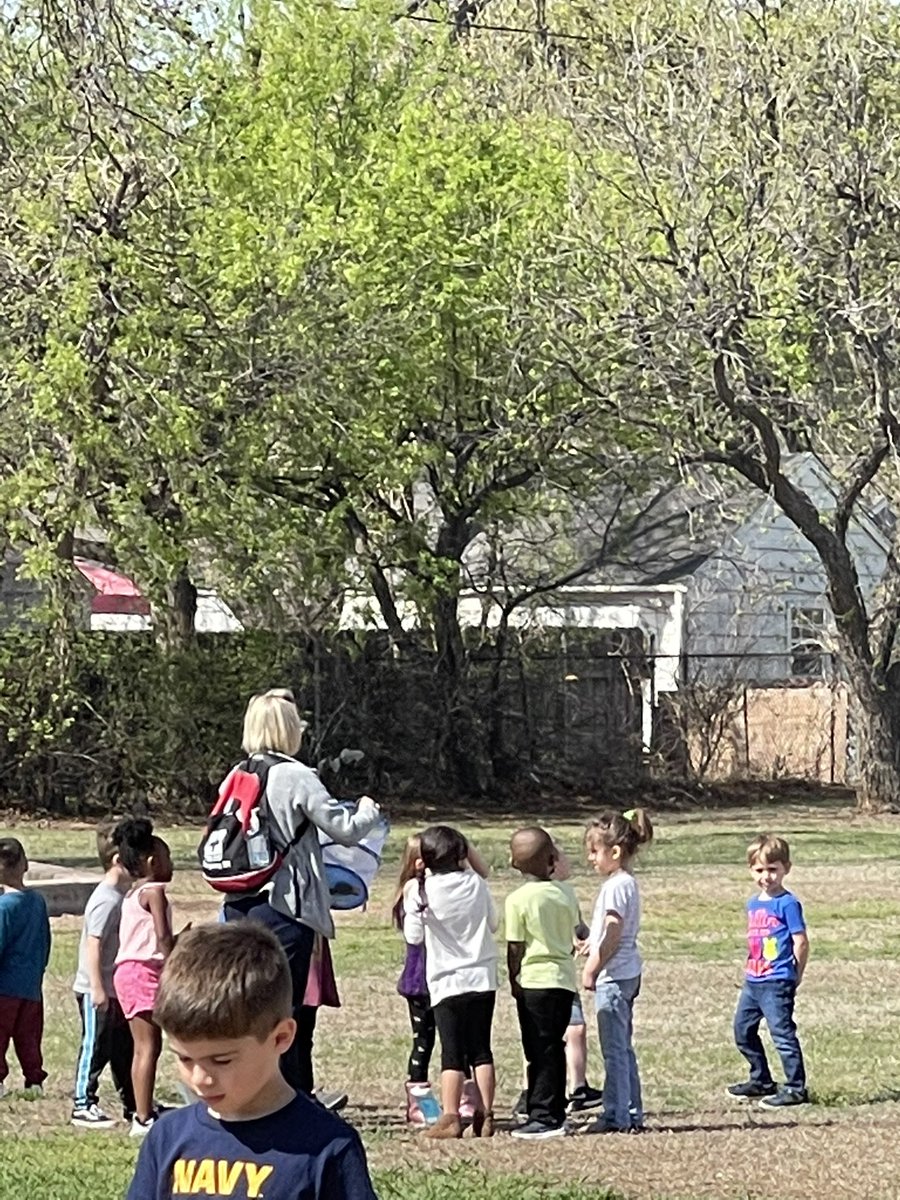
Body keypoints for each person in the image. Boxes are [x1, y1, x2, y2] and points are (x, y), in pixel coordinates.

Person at [126, 923, 377, 1200]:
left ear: (281, 1038)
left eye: (221, 1060)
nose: (199, 1079)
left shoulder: (328, 1145)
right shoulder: (167, 1137)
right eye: (185, 1058)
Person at [222, 688, 381, 1098]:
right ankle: (288, 1095)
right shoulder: (295, 776)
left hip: (240, 901)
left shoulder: (237, 774)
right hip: (286, 903)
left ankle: (246, 1085)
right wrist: (368, 810)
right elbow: (343, 829)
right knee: (285, 1007)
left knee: (249, 1000)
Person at [402, 824, 499, 1140]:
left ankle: (450, 1116)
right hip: (483, 976)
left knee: (452, 1053)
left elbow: (414, 936)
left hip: (446, 980)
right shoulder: (475, 883)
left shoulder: (420, 891)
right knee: (481, 1049)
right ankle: (485, 1115)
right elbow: (494, 923)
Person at [582, 808, 653, 1134]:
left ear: (614, 852)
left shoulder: (614, 887)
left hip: (614, 976)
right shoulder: (626, 883)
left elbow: (613, 930)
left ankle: (617, 1115)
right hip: (629, 972)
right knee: (623, 1047)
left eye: (594, 852)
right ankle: (633, 1110)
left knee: (614, 1051)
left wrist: (592, 968)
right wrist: (590, 943)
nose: (590, 859)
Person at [506, 827, 580, 1140]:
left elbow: (515, 946)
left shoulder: (517, 900)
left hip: (534, 981)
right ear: (552, 859)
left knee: (539, 1049)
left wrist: (513, 979)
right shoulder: (566, 893)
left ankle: (546, 1116)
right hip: (563, 980)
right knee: (551, 1046)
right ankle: (544, 1106)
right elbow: (578, 930)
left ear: (513, 862)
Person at [727, 833, 809, 1109]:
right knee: (743, 1031)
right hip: (754, 980)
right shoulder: (754, 903)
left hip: (777, 980)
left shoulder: (787, 903)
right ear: (751, 870)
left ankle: (796, 1088)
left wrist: (795, 974)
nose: (766, 876)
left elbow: (800, 941)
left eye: (773, 870)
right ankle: (760, 1079)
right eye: (760, 870)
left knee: (782, 1035)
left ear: (786, 868)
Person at [71, 819, 141, 1128]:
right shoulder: (106, 898)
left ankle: (135, 1104)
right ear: (117, 859)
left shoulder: (124, 895)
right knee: (95, 1046)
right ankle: (82, 1104)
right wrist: (97, 988)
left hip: (117, 989)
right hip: (95, 989)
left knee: (122, 1049)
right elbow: (93, 943)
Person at [113, 825, 175, 1136]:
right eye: (167, 857)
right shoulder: (155, 892)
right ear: (152, 862)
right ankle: (143, 1117)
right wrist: (176, 954)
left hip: (128, 972)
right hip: (144, 973)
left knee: (143, 1047)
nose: (171, 864)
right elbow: (162, 937)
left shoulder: (131, 895)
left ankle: (144, 1109)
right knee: (149, 1047)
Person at [0, 837, 50, 1099]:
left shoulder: (4, 908)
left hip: (4, 986)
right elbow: (45, 940)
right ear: (25, 864)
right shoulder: (37, 902)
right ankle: (34, 1080)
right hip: (31, 985)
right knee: (29, 1037)